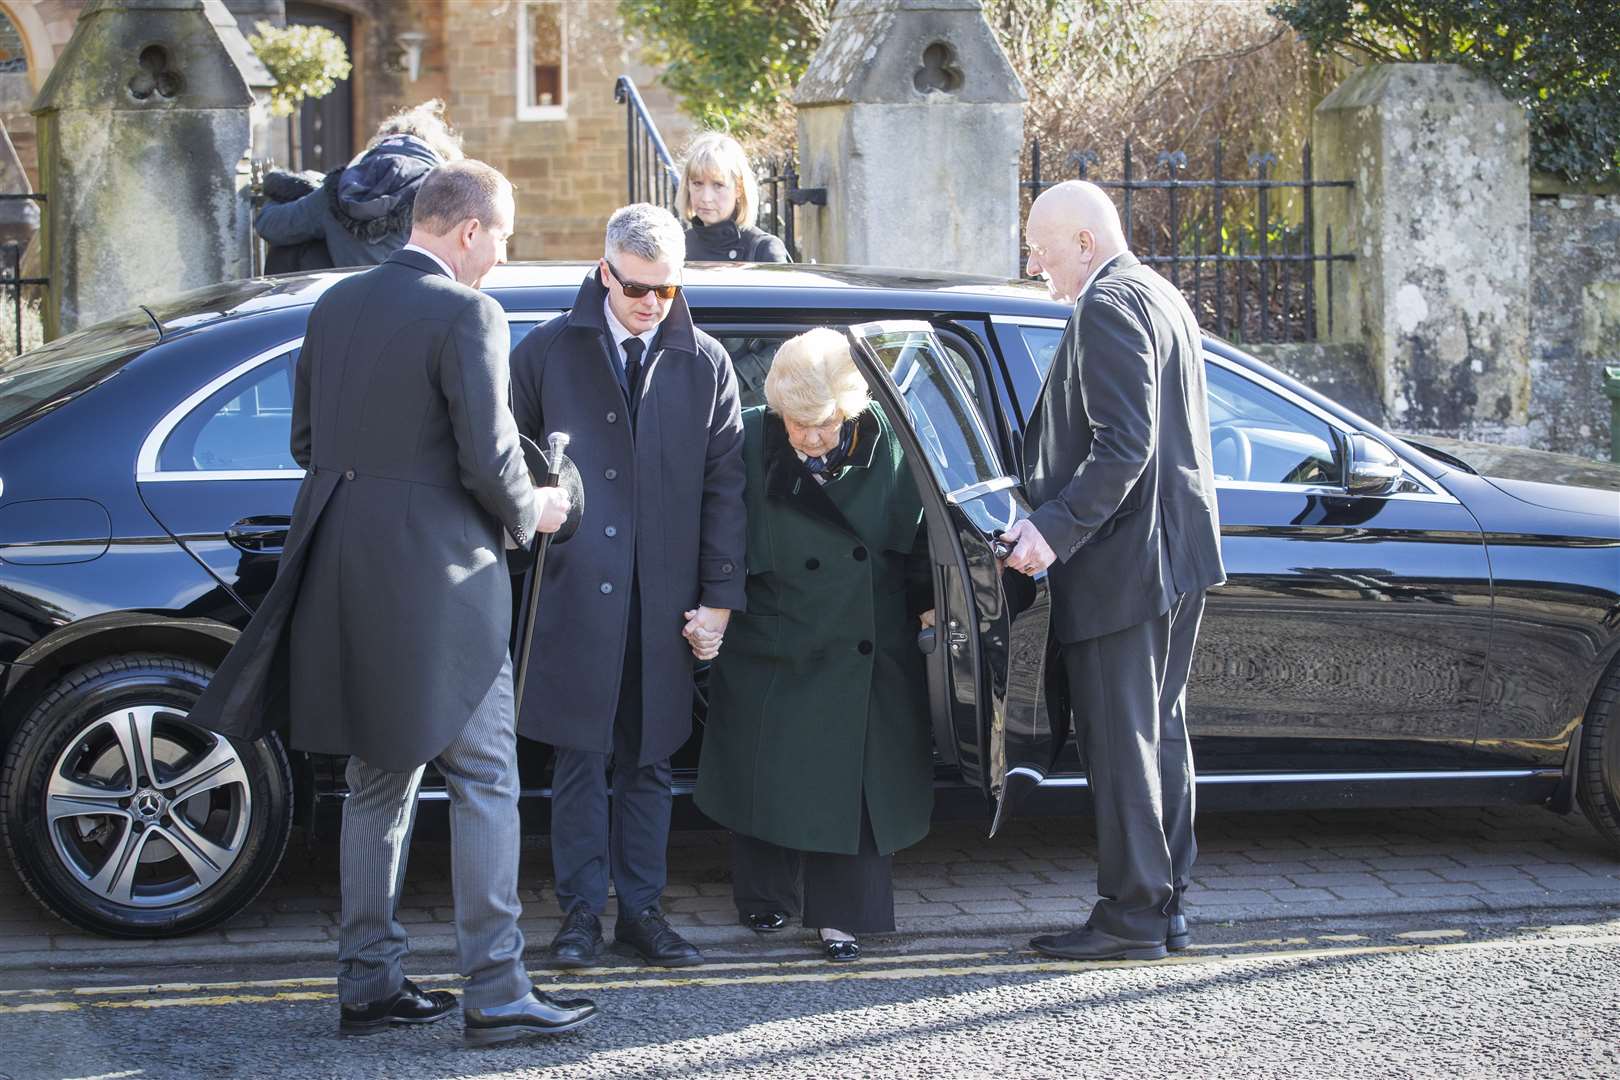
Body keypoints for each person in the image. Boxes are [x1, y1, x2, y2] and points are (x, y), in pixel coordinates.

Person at [186, 161, 598, 1045]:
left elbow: (306, 440)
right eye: (502, 237)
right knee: (487, 776)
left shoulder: (335, 304)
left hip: (344, 575)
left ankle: (368, 983)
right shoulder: (468, 311)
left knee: (379, 781)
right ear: (468, 232)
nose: (500, 255)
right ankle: (495, 987)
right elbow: (491, 464)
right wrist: (541, 509)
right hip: (441, 589)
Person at [509, 204, 747, 970]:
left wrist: (717, 597)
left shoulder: (705, 360)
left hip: (664, 597)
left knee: (649, 761)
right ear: (604, 271)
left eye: (668, 291)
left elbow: (724, 488)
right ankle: (579, 913)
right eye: (638, 288)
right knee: (578, 759)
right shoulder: (545, 352)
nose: (652, 305)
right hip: (573, 593)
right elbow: (506, 472)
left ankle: (642, 911)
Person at [1005, 180, 1226, 962]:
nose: (1036, 266)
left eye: (1041, 249)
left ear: (1085, 243)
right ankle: (1167, 907)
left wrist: (1051, 532)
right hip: (1173, 554)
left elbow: (1123, 445)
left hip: (1124, 562)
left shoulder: (1106, 305)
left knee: (1122, 741)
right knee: (1159, 731)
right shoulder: (1159, 293)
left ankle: (1132, 914)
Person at [694, 328, 935, 962]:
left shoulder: (891, 441)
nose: (807, 437)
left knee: (850, 784)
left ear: (850, 409)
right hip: (774, 634)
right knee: (768, 767)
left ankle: (842, 917)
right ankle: (765, 896)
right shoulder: (746, 436)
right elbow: (717, 531)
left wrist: (933, 604)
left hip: (862, 643)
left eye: (823, 424)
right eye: (795, 422)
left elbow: (920, 540)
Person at [254, 99, 463, 268]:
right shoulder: (444, 190)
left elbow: (269, 225)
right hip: (428, 304)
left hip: (353, 304)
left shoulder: (336, 191)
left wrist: (283, 192)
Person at [676, 132, 790, 263]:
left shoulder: (763, 249)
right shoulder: (677, 248)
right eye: (697, 183)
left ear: (738, 188)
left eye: (718, 185)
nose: (706, 198)